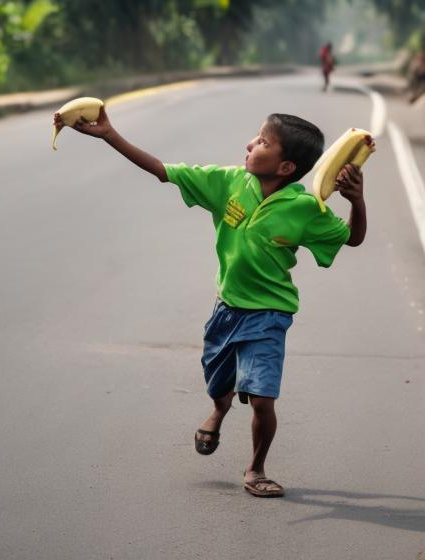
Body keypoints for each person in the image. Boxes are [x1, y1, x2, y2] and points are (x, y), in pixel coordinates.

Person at [53, 108, 371, 498]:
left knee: (262, 398)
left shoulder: (306, 210)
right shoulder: (228, 183)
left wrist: (357, 201)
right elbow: (161, 170)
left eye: (263, 142)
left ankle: (256, 468)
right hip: (227, 308)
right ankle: (219, 411)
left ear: (286, 166)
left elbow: (351, 239)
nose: (250, 145)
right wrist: (109, 134)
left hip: (271, 313)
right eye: (257, 137)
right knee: (219, 384)